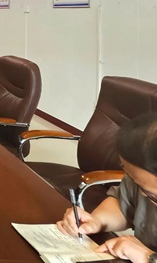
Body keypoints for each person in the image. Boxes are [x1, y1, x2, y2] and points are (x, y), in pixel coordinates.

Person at [57, 113, 157, 263]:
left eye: (151, 195)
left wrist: (148, 257)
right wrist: (97, 221)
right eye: (132, 178)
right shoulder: (140, 177)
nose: (141, 194)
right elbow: (123, 206)